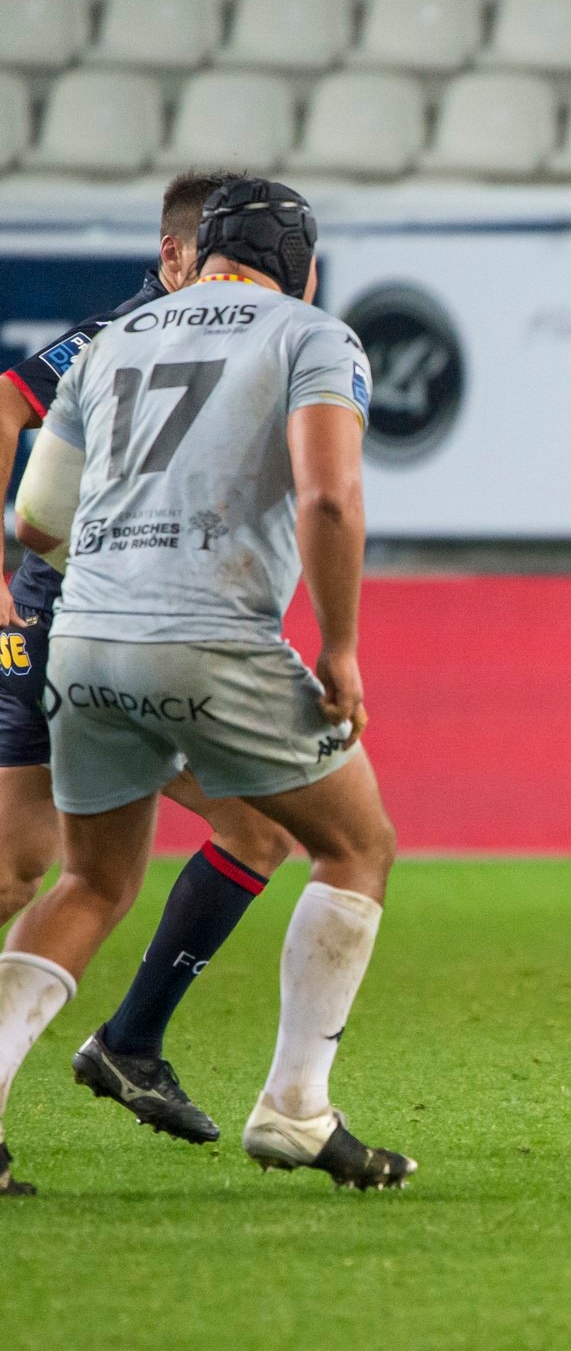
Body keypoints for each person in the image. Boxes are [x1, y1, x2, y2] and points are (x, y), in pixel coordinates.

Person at [0, 177, 412, 1196]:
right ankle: (296, 1110)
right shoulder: (313, 335)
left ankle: (113, 1047)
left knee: (87, 882)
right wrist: (344, 647)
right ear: (300, 266)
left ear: (194, 250)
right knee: (356, 845)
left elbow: (38, 521)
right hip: (208, 639)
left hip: (82, 639)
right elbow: (327, 494)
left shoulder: (111, 341)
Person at [0, 170, 295, 1148]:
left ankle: (132, 1039)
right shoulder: (121, 334)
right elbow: (7, 414)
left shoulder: (206, 338)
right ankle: (131, 1041)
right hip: (77, 626)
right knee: (36, 870)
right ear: (172, 257)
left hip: (114, 629)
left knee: (71, 868)